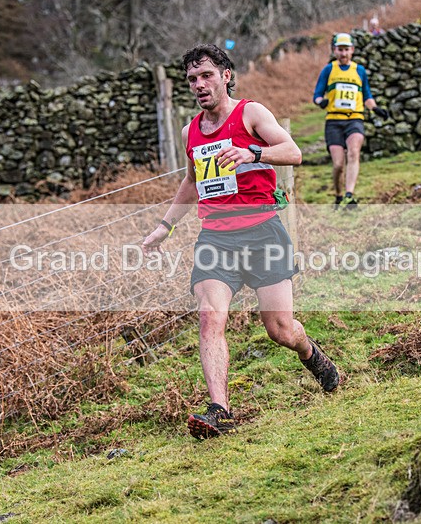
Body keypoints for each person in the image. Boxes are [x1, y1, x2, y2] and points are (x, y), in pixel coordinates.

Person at [142, 44, 340, 440]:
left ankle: (312, 355)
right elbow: (192, 181)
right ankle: (221, 410)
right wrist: (166, 225)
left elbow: (293, 152)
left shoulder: (251, 112)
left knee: (281, 329)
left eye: (207, 76)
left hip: (263, 232)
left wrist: (252, 152)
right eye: (192, 80)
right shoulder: (190, 131)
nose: (199, 85)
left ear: (226, 75)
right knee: (209, 317)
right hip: (216, 237)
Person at [312, 33, 385, 210]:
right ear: (335, 50)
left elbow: (366, 95)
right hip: (334, 121)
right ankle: (338, 195)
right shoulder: (329, 70)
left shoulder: (359, 70)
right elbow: (317, 95)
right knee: (338, 164)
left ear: (352, 50)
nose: (343, 54)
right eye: (340, 50)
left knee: (353, 153)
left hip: (355, 119)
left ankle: (349, 195)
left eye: (346, 50)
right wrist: (321, 102)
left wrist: (375, 108)